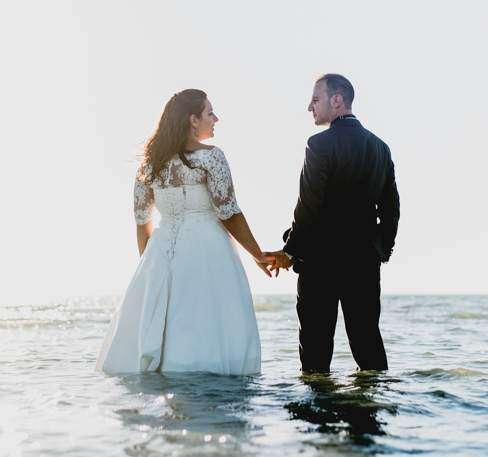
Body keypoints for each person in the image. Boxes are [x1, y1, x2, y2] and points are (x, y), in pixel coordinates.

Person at [95, 89, 275, 375]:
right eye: (209, 113)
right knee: (209, 325)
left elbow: (142, 223)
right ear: (193, 119)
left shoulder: (149, 164)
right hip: (209, 252)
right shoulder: (212, 157)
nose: (216, 118)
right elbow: (229, 212)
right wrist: (257, 254)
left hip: (159, 253)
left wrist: (152, 268)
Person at [267, 74, 400, 372]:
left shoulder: (319, 144)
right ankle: (370, 414)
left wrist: (290, 252)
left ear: (336, 100)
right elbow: (391, 208)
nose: (310, 107)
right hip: (365, 263)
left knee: (315, 355)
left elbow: (309, 207)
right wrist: (380, 249)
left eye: (316, 100)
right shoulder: (381, 147)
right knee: (369, 348)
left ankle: (319, 417)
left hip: (320, 264)